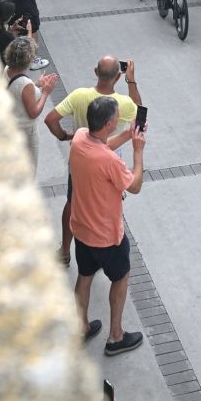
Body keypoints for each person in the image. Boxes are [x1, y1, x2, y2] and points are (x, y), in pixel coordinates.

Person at [45, 55, 142, 268]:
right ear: (118, 76)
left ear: (96, 72)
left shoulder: (79, 95)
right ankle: (102, 247)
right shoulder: (123, 104)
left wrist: (64, 136)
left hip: (79, 162)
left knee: (72, 202)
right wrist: (132, 81)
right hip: (108, 165)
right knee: (105, 206)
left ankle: (65, 251)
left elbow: (50, 119)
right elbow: (139, 114)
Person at [68, 95, 146, 354]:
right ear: (108, 124)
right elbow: (134, 186)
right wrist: (137, 151)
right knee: (121, 277)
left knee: (85, 276)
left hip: (81, 228)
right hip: (107, 236)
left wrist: (127, 134)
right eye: (116, 117)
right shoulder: (110, 162)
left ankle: (81, 327)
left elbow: (102, 146)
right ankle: (116, 336)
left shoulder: (80, 138)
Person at [4, 36, 58, 171]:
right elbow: (33, 112)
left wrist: (37, 84)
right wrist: (45, 92)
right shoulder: (25, 83)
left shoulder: (7, 70)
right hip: (26, 131)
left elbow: (19, 92)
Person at [0, 0, 28, 65]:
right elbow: (17, 58)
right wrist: (12, 36)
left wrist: (9, 31)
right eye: (12, 14)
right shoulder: (6, 38)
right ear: (7, 17)